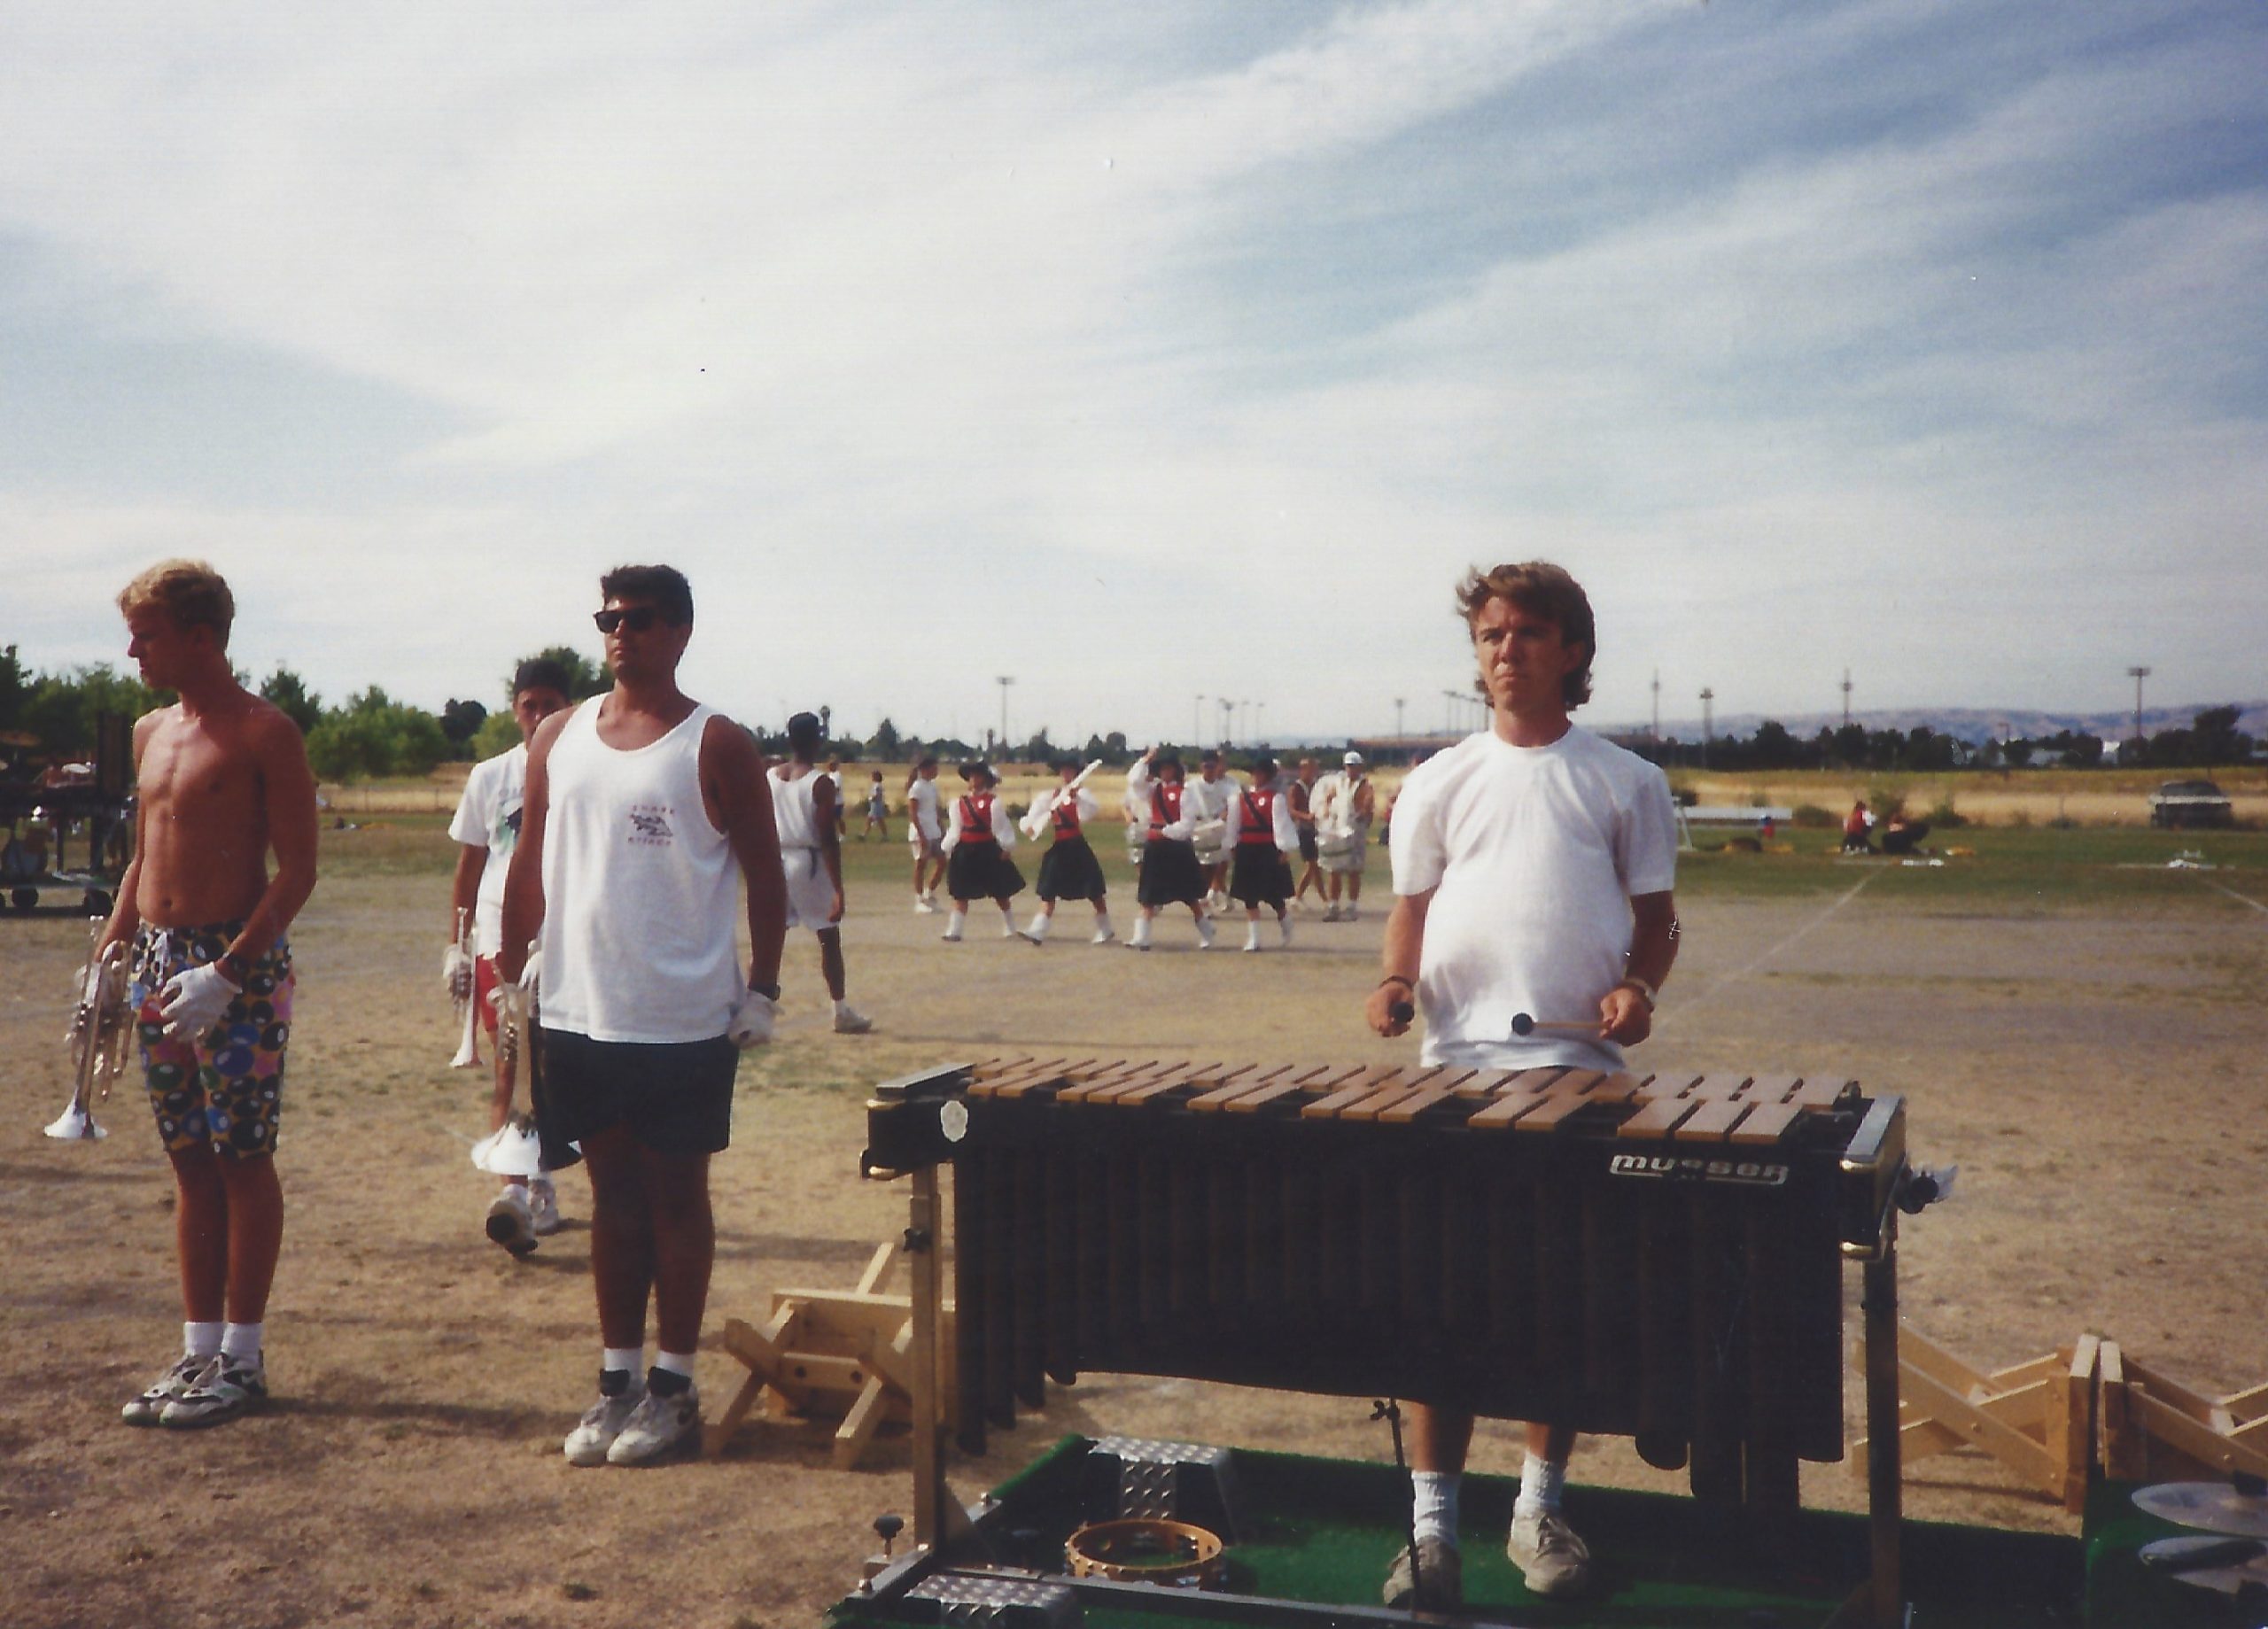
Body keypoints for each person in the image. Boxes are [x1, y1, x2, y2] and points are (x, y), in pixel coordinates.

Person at [1363, 561, 1678, 1607]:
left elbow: (1657, 923)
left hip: (1574, 1070)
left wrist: (1638, 988)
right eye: (1491, 636)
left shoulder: (1624, 780)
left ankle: (1538, 1509)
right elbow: (1411, 907)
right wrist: (1395, 981)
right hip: (1456, 1070)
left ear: (1573, 651)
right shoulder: (1439, 779)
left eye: (1528, 635)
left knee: (1555, 1305)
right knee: (1438, 1304)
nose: (1505, 652)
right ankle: (1431, 1531)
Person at [499, 563, 788, 1469]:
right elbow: (528, 864)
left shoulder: (717, 743)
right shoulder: (558, 734)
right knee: (610, 1202)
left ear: (681, 631)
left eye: (641, 618)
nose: (620, 631)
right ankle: (615, 1382)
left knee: (675, 1202)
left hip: (683, 1018)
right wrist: (515, 969)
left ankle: (674, 1387)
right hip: (582, 1011)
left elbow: (767, 876)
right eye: (608, 617)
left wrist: (766, 987)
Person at [98, 560, 319, 1431]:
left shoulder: (266, 732)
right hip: (159, 960)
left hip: (236, 968)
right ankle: (198, 1347)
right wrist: (115, 950)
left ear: (200, 636)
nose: (132, 651)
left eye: (146, 635)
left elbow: (300, 870)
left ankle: (244, 1357)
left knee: (241, 1156)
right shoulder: (153, 730)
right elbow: (144, 855)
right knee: (189, 1156)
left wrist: (228, 973)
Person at [445, 657, 571, 1255]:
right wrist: (457, 946)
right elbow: (469, 868)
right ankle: (516, 1190)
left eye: (551, 703)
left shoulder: (581, 770)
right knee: (511, 1066)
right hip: (501, 938)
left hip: (566, 940)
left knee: (559, 1071)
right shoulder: (490, 776)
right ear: (516, 708)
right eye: (530, 705)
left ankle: (544, 1176)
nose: (540, 715)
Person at [773, 714, 872, 1032]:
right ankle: (840, 1010)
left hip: (778, 858)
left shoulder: (771, 777)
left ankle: (756, 1004)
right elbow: (827, 837)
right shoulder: (820, 782)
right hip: (808, 860)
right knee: (828, 938)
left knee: (771, 937)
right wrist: (839, 889)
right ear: (817, 740)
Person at [1123, 747, 1213, 950]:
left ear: (1175, 771)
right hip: (1155, 847)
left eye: (1168, 769)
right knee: (1148, 895)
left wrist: (1166, 832)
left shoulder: (1185, 793)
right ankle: (1141, 937)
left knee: (1189, 896)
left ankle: (1207, 931)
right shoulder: (1152, 789)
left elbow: (1187, 823)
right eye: (1161, 769)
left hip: (1176, 848)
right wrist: (1146, 759)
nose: (1164, 772)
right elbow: (1134, 781)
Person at [1016, 758, 1114, 944]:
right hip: (1059, 848)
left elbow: (1089, 813)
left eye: (1070, 770)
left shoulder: (1083, 795)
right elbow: (1034, 815)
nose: (1065, 774)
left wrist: (1077, 797)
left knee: (1094, 892)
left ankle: (1106, 928)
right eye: (1063, 770)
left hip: (1077, 847)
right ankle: (1038, 930)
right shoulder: (1051, 796)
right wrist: (1028, 826)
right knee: (1049, 889)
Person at [937, 762, 1025, 942]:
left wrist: (1006, 846)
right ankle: (955, 930)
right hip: (965, 851)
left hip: (987, 850)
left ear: (985, 779)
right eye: (971, 776)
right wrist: (948, 848)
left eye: (977, 776)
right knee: (960, 892)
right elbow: (955, 829)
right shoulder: (958, 803)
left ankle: (1010, 927)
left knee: (1000, 892)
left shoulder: (994, 802)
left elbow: (1001, 827)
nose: (973, 780)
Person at [1223, 755, 1297, 950]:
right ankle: (1254, 938)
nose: (1257, 777)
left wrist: (1283, 848)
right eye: (1255, 773)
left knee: (1273, 895)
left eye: (1261, 774)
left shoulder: (1276, 798)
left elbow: (1280, 824)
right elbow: (1234, 823)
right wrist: (1232, 844)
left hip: (1267, 848)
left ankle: (1285, 921)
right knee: (1249, 896)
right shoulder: (1240, 798)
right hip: (1247, 847)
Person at [1184, 748, 1241, 912]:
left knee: (1218, 866)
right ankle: (1210, 897)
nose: (1210, 769)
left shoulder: (1228, 786)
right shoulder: (1191, 785)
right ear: (1202, 766)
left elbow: (1236, 804)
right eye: (1206, 766)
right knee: (1203, 868)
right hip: (1199, 829)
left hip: (1219, 829)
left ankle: (1208, 899)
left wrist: (1228, 813)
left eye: (1213, 765)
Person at [1320, 750, 1376, 921]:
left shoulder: (1364, 784)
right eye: (1349, 766)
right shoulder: (1339, 782)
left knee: (1354, 870)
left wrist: (1364, 813)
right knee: (1334, 869)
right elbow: (1328, 798)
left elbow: (1368, 803)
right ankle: (1333, 905)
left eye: (1354, 766)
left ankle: (1351, 906)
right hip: (1338, 830)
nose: (1351, 769)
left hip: (1355, 831)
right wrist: (1328, 812)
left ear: (1360, 767)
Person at [905, 756, 945, 911]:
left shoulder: (932, 787)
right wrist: (921, 835)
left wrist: (942, 828)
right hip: (920, 832)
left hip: (933, 831)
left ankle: (930, 892)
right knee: (921, 864)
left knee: (942, 861)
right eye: (934, 768)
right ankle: (919, 898)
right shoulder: (916, 788)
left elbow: (935, 810)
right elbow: (913, 813)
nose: (936, 771)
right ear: (925, 770)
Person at [1288, 756, 1324, 911]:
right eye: (1311, 769)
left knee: (1315, 866)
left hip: (1316, 828)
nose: (1314, 772)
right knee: (1312, 864)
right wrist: (1306, 816)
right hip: (1304, 829)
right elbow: (1291, 810)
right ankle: (1321, 897)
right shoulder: (1296, 788)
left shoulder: (1317, 786)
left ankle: (1301, 896)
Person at [859, 769, 889, 842]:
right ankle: (864, 835)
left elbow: (877, 795)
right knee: (875, 820)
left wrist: (870, 798)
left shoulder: (877, 786)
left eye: (873, 776)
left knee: (875, 820)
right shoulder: (875, 785)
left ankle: (865, 835)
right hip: (875, 805)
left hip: (876, 805)